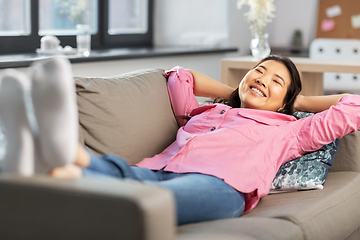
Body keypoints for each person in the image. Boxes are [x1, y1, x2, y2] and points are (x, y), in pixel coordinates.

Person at [1, 55, 359, 225]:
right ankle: (50, 154)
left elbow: (353, 107)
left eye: (276, 81)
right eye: (259, 71)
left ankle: (49, 154)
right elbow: (179, 77)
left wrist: (300, 103)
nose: (263, 79)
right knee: (121, 173)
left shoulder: (290, 130)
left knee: (145, 199)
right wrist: (232, 92)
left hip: (221, 187)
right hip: (157, 170)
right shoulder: (204, 114)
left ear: (285, 101)